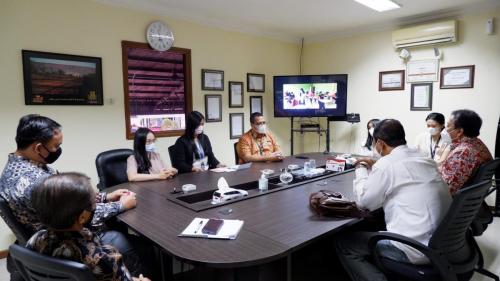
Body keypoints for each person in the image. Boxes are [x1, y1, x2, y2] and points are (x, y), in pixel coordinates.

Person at [0, 114, 141, 277]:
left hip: (42, 237)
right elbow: (79, 215)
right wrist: (121, 205)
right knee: (129, 240)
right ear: (38, 148)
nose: (58, 150)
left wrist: (106, 197)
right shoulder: (35, 182)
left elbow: (68, 196)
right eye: (55, 146)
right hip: (62, 240)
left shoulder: (17, 167)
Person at [335, 119, 451, 281]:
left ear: (380, 143)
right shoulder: (424, 158)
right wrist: (377, 164)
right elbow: (403, 169)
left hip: (413, 249)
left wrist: (360, 168)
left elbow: (364, 203)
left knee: (345, 244)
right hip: (443, 243)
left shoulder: (387, 165)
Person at [27, 172, 150, 281]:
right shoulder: (103, 257)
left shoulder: (35, 240)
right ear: (82, 217)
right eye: (94, 201)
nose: (96, 203)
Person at [440, 109, 493, 194]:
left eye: (448, 126)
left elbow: (447, 190)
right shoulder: (477, 143)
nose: (445, 130)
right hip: (470, 199)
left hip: (450, 202)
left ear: (460, 131)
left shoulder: (462, 154)